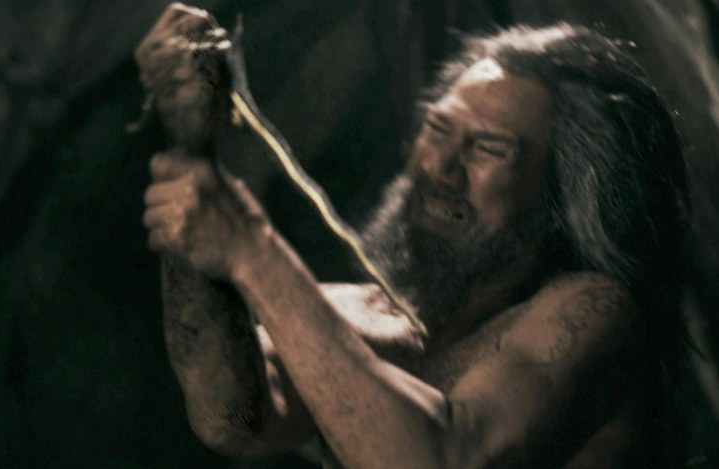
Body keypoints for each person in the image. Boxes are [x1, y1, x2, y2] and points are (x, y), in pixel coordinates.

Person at [138, 4, 689, 467]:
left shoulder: (594, 313)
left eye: (489, 149)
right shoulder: (365, 316)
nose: (440, 167)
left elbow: (439, 460)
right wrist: (191, 144)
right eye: (438, 128)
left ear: (560, 200)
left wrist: (254, 252)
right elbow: (232, 418)